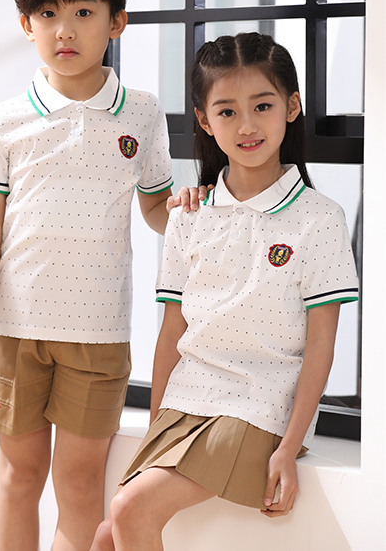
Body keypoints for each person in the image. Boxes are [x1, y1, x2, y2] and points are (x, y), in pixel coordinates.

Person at [90, 32, 359, 551]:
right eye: (228, 112)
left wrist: (290, 447)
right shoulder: (188, 216)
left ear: (292, 107)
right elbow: (172, 332)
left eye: (263, 106)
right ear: (205, 121)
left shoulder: (320, 219)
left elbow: (321, 344)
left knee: (128, 510)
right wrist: (155, 428)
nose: (247, 125)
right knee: (106, 535)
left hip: (261, 406)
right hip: (187, 400)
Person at [0, 0, 176, 551]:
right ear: (26, 25)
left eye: (84, 11)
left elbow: (156, 208)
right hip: (13, 335)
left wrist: (196, 213)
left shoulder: (142, 113)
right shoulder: (5, 120)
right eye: (48, 13)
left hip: (99, 334)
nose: (65, 29)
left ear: (116, 22)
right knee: (17, 478)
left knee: (80, 487)